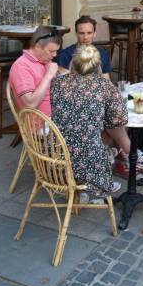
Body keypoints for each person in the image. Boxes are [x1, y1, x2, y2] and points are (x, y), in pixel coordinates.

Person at [50, 45, 127, 201]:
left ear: (73, 62)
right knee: (106, 132)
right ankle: (96, 187)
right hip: (87, 160)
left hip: (56, 154)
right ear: (98, 66)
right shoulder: (105, 87)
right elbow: (120, 120)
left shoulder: (57, 83)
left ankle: (115, 155)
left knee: (89, 133)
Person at [9, 26, 61, 117]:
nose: (55, 55)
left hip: (58, 119)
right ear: (37, 46)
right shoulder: (21, 66)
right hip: (42, 125)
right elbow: (30, 104)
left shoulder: (43, 60)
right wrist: (48, 76)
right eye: (51, 51)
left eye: (56, 51)